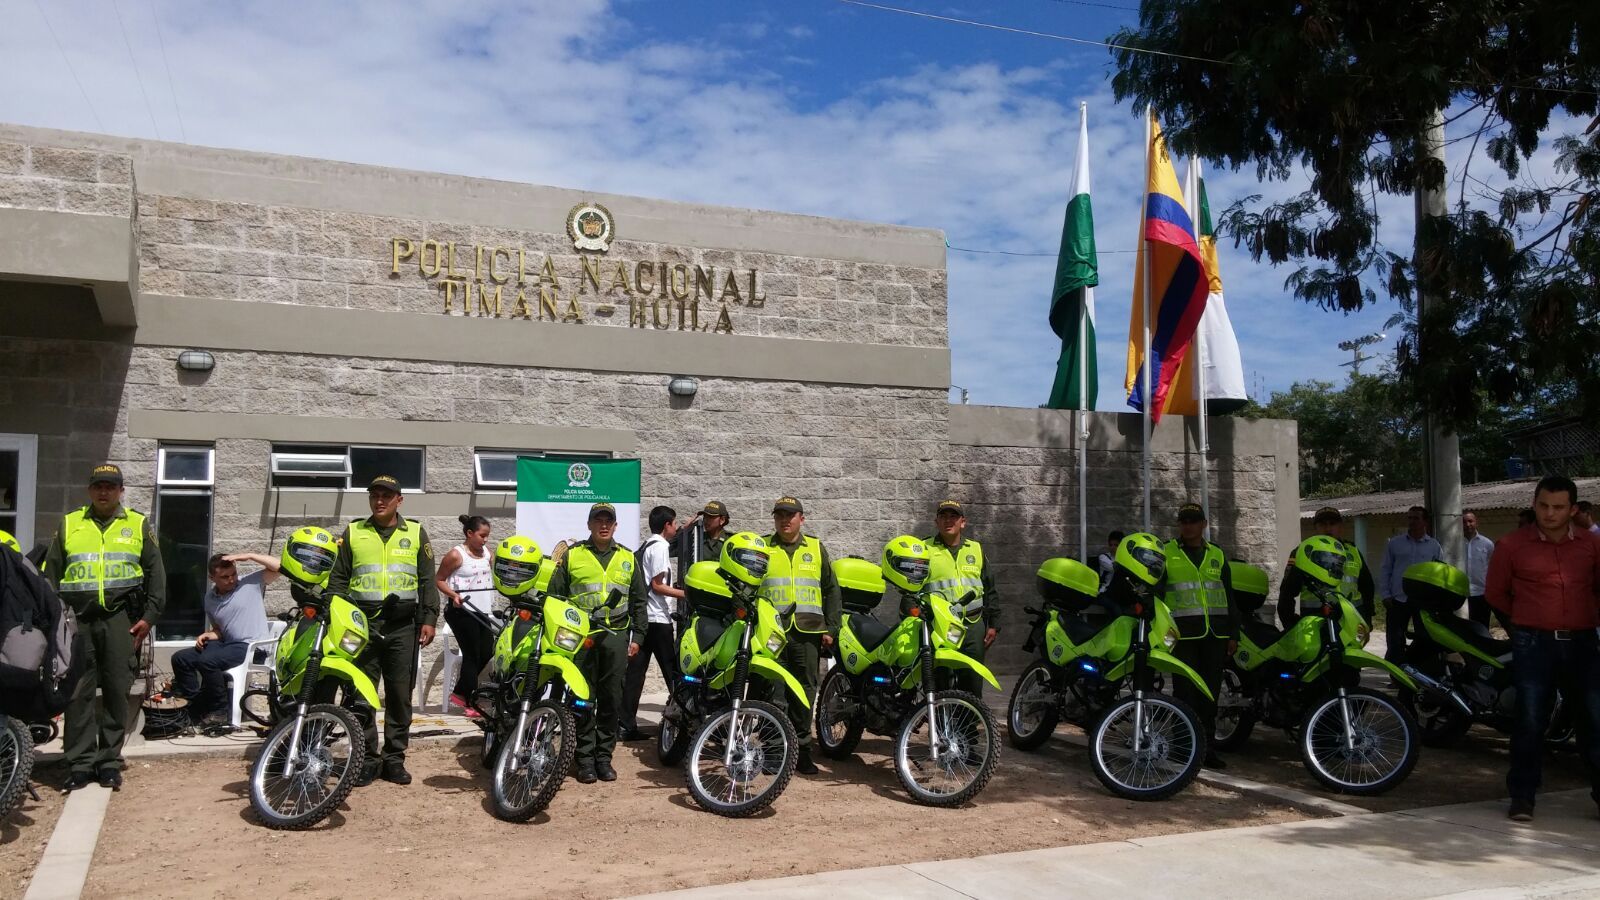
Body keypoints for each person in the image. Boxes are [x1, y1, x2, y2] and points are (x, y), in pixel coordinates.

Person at [43, 464, 167, 792]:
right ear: (89, 490)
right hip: (77, 620)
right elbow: (51, 573)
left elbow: (156, 573)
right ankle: (80, 763)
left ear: (120, 491)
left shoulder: (138, 524)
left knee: (116, 689)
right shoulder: (70, 523)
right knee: (77, 692)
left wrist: (150, 616)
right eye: (98, 486)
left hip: (120, 619)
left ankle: (109, 761)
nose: (104, 492)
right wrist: (54, 618)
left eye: (110, 487)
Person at [1484, 475, 1600, 823]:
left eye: (1558, 507)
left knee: (1594, 719)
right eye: (1544, 505)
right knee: (1531, 720)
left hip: (1582, 642)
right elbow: (1495, 594)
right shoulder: (1511, 546)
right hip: (1534, 643)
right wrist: (1522, 625)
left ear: (1572, 509)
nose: (1550, 513)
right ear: (1534, 504)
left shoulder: (1590, 546)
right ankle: (1522, 797)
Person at [325, 474, 439, 786]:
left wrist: (429, 618)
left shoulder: (416, 533)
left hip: (403, 626)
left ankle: (394, 760)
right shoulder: (354, 532)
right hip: (363, 625)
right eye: (375, 495)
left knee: (400, 696)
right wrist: (335, 613)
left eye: (387, 496)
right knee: (361, 695)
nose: (380, 501)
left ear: (399, 500)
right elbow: (339, 578)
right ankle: (366, 759)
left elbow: (428, 580)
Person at [547, 502, 647, 783]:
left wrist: (637, 636)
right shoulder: (573, 555)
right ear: (589, 525)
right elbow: (555, 597)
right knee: (582, 699)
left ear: (615, 526)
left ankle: (604, 758)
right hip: (582, 637)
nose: (603, 525)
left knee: (611, 699)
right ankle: (584, 759)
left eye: (609, 521)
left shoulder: (628, 558)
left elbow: (639, 601)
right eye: (598, 520)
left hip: (615, 635)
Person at [761, 496, 841, 776]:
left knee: (805, 692)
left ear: (801, 519)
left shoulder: (816, 548)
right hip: (771, 633)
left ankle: (802, 751)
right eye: (780, 515)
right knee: (774, 692)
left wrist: (832, 628)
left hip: (807, 633)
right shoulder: (762, 547)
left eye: (790, 515)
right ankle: (773, 750)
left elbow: (832, 590)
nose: (785, 520)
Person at [1160, 503, 1237, 769]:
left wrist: (1233, 634)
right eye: (1184, 521)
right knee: (1184, 695)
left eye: (1194, 520)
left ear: (1204, 524)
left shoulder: (1216, 554)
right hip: (1183, 638)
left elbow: (1229, 597)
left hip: (1214, 636)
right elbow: (1158, 596)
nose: (1188, 525)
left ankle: (1206, 750)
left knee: (1210, 696)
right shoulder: (1167, 552)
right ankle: (1182, 748)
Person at [167, 552, 276, 725]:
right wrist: (210, 634)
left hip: (252, 647)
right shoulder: (210, 599)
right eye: (225, 577)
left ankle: (220, 710)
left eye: (233, 574)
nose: (231, 579)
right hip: (228, 645)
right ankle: (195, 706)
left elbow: (279, 567)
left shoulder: (250, 583)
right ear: (212, 578)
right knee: (181, 658)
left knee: (207, 661)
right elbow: (221, 629)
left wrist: (249, 555)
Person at [620, 506, 684, 741]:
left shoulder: (647, 544)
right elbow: (657, 586)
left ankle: (625, 725)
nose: (675, 528)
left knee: (635, 674)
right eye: (674, 524)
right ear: (666, 525)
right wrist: (686, 594)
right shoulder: (660, 548)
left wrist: (686, 528)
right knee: (673, 672)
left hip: (643, 619)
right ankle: (685, 719)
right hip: (657, 619)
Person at [923, 499, 999, 694]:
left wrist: (993, 624)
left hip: (973, 625)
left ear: (962, 522)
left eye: (953, 516)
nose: (948, 521)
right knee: (941, 680)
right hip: (940, 626)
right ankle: (941, 723)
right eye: (943, 516)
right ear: (936, 522)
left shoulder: (976, 549)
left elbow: (990, 588)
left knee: (972, 680)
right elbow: (911, 587)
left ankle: (970, 724)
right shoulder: (925, 550)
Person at [435, 515, 496, 717]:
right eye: (482, 536)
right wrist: (454, 595)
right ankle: (469, 701)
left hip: (481, 610)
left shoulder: (487, 553)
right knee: (471, 654)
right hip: (461, 611)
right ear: (470, 533)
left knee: (487, 650)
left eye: (487, 536)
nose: (485, 540)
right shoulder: (456, 555)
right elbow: (440, 580)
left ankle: (460, 692)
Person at [1280, 507, 1375, 628]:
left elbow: (1367, 587)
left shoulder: (1353, 551)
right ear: (1316, 528)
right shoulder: (1303, 552)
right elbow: (1287, 592)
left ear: (1341, 526)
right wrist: (1290, 624)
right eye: (1322, 524)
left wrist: (1368, 617)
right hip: (1315, 621)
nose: (1328, 528)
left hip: (1352, 620)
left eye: (1332, 523)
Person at [1378, 505, 1442, 665]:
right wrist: (1385, 595)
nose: (1411, 522)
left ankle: (1422, 674)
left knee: (1425, 639)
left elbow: (1439, 572)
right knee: (1395, 641)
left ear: (1425, 521)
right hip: (1398, 600)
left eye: (1416, 518)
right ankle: (1396, 676)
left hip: (1423, 601)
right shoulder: (1395, 543)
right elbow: (1386, 569)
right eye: (1409, 518)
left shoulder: (1434, 546)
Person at [672, 500, 730, 588]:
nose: (706, 520)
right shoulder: (695, 539)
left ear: (722, 520)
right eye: (705, 517)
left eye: (710, 517)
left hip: (721, 593)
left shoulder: (730, 542)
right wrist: (684, 529)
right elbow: (669, 550)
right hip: (698, 594)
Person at [1462, 510, 1502, 631]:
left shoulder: (1487, 544)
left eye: (1470, 521)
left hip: (1481, 593)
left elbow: (1492, 566)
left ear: (1476, 523)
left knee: (1481, 627)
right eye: (1464, 522)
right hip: (1460, 594)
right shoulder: (1455, 543)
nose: (1468, 524)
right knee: (1463, 628)